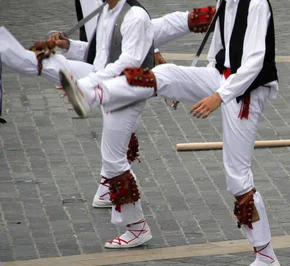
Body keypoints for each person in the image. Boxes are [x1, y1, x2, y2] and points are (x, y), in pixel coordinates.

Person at [60, 0, 283, 266]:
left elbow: (254, 62)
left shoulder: (257, 3)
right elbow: (218, 52)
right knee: (164, 74)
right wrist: (190, 83)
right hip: (220, 78)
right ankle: (91, 93)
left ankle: (266, 256)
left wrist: (218, 96)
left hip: (246, 90)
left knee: (237, 177)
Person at [0, 1, 214, 248]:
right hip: (101, 78)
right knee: (48, 62)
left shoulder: (134, 16)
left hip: (127, 91)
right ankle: (6, 49)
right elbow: (98, 56)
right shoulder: (107, 12)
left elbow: (128, 64)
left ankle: (137, 227)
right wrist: (68, 47)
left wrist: (88, 84)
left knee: (113, 159)